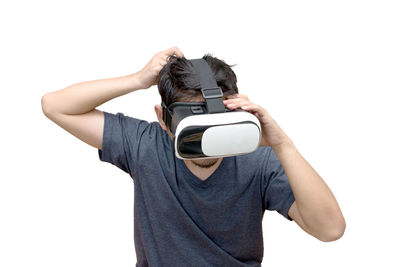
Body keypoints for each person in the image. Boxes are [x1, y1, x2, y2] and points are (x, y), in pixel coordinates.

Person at [41, 46, 346, 266]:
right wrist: (138, 79)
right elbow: (55, 105)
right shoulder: (147, 144)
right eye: (193, 129)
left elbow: (330, 229)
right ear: (164, 119)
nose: (207, 142)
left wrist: (281, 143)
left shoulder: (257, 159)